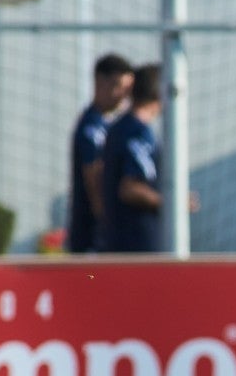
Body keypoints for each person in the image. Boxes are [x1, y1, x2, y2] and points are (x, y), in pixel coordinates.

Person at [67, 53, 133, 252]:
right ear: (99, 82)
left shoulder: (104, 124)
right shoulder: (92, 128)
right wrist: (105, 224)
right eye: (118, 86)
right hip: (91, 235)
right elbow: (94, 176)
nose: (123, 95)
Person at [100, 63, 165, 252]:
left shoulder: (118, 128)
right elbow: (130, 188)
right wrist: (171, 203)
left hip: (116, 239)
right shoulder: (139, 133)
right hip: (137, 241)